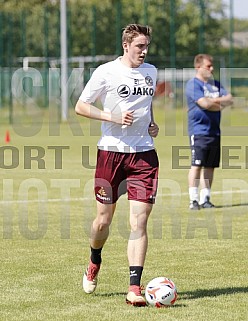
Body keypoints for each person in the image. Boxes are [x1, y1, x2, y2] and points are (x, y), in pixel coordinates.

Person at [75, 23, 159, 306]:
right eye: (139, 46)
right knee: (103, 221)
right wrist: (112, 117)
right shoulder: (106, 71)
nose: (144, 51)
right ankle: (94, 260)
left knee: (139, 221)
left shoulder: (151, 72)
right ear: (126, 46)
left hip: (144, 155)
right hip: (111, 154)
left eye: (147, 46)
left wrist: (152, 123)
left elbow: (147, 105)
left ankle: (134, 287)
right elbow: (81, 106)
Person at [185, 54, 233, 210]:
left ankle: (206, 199)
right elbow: (204, 103)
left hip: (214, 131)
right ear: (198, 67)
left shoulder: (215, 84)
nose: (212, 69)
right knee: (196, 165)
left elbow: (229, 99)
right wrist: (218, 103)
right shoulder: (193, 84)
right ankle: (193, 200)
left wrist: (213, 102)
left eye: (212, 66)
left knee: (210, 166)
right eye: (208, 66)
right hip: (199, 132)